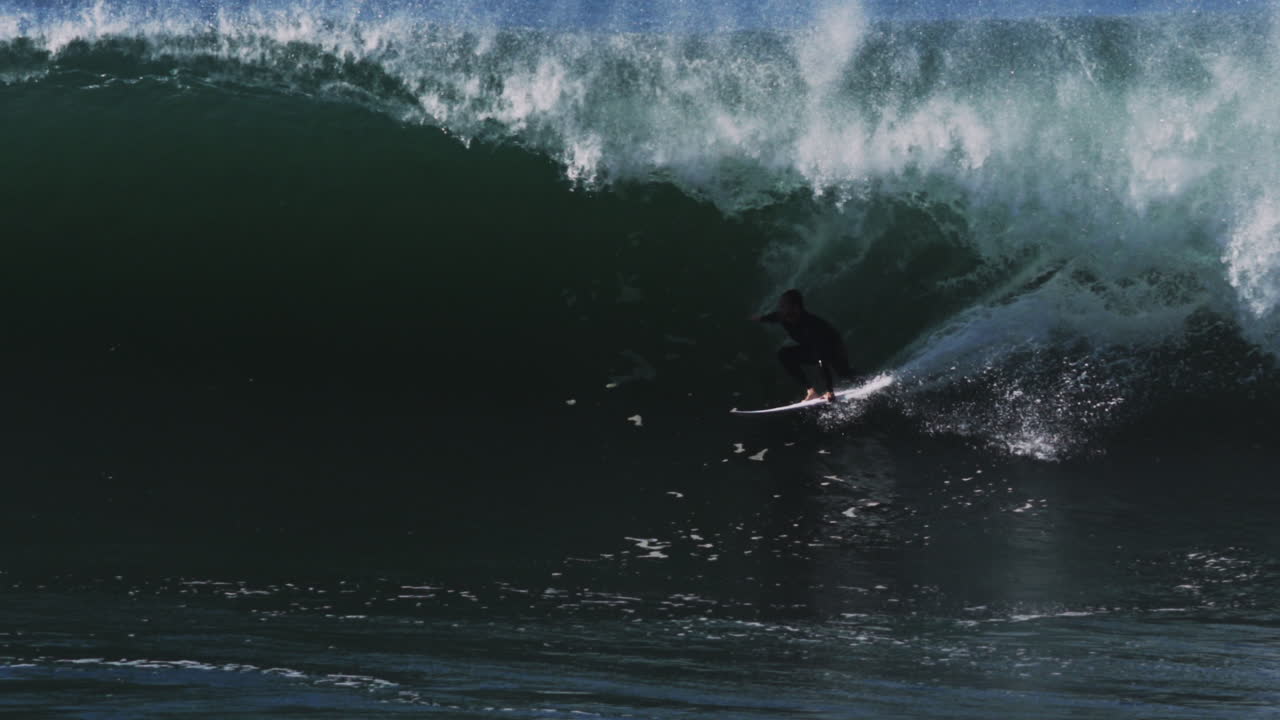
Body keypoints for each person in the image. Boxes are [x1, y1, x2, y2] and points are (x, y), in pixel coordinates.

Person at [753, 289, 853, 402]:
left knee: (845, 374)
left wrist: (830, 391)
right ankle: (811, 391)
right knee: (784, 354)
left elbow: (822, 358)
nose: (781, 309)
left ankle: (866, 381)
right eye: (780, 306)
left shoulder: (810, 325)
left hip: (834, 349)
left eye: (783, 306)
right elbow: (771, 317)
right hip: (813, 349)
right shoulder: (783, 317)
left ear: (795, 307)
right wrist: (758, 319)